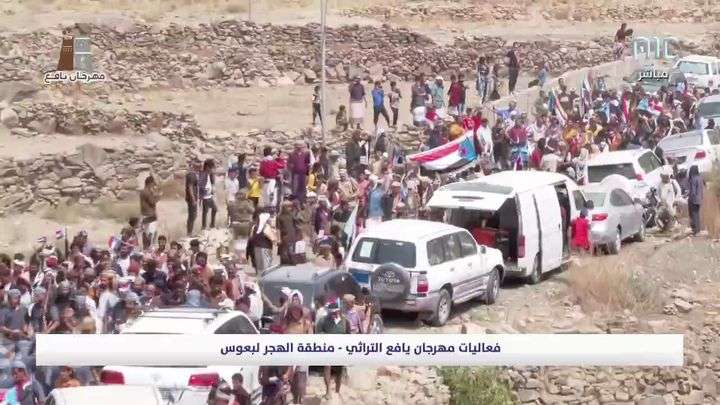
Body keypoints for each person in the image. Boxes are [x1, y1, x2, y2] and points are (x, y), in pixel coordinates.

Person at [318, 302, 349, 400]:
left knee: (339, 370)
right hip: (328, 347)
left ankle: (337, 391)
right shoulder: (323, 320)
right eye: (331, 312)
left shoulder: (344, 321)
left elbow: (349, 334)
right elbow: (318, 333)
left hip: (340, 349)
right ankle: (328, 390)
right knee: (327, 366)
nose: (333, 314)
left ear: (338, 311)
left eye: (335, 312)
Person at [139, 175, 160, 250]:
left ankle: (146, 248)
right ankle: (150, 248)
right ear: (150, 183)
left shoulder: (142, 191)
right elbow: (152, 202)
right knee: (151, 232)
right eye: (153, 183)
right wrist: (158, 196)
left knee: (146, 232)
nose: (153, 185)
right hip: (150, 215)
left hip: (144, 214)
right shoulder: (147, 192)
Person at [288, 141, 310, 206]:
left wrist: (307, 173)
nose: (299, 148)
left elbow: (307, 163)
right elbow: (289, 164)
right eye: (298, 147)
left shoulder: (305, 154)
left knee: (303, 188)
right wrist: (291, 168)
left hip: (303, 174)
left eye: (300, 147)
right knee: (295, 188)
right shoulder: (292, 154)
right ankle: (296, 203)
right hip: (295, 174)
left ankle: (302, 203)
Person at [199, 159, 218, 230]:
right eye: (211, 167)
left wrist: (212, 189)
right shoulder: (203, 174)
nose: (212, 169)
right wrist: (204, 189)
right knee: (212, 209)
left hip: (209, 196)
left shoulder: (210, 175)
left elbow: (211, 183)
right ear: (207, 167)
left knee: (207, 211)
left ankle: (205, 226)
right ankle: (209, 226)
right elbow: (200, 184)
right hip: (205, 196)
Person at [185, 157, 201, 236]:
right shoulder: (191, 175)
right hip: (191, 198)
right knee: (192, 215)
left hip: (193, 197)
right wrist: (193, 199)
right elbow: (190, 187)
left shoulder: (194, 174)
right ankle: (189, 233)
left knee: (193, 215)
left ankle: (190, 232)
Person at [687, 165, 704, 235]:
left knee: (693, 214)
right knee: (697, 214)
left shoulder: (693, 179)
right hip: (700, 199)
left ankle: (695, 230)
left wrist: (689, 197)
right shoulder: (700, 178)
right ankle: (698, 229)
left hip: (693, 200)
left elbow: (693, 191)